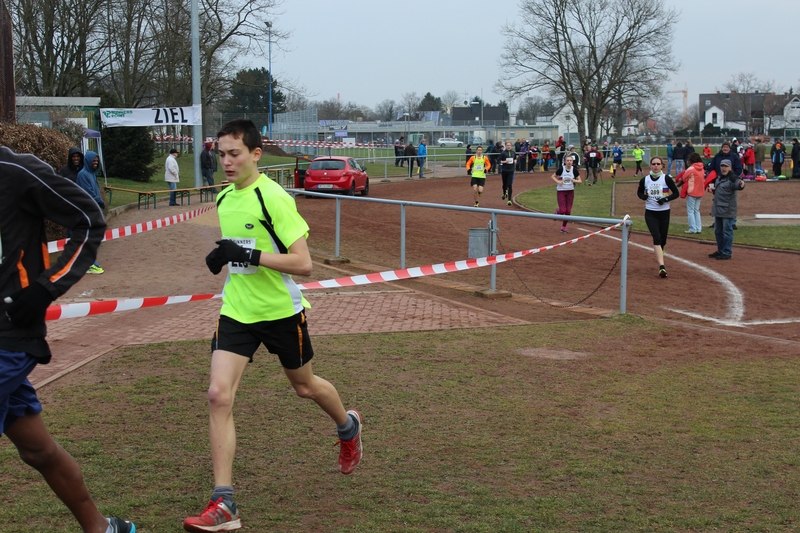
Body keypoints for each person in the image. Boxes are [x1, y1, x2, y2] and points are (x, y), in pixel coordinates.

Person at [184, 120, 362, 533]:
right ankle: (224, 502)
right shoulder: (224, 198)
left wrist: (247, 255)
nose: (227, 162)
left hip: (281, 312)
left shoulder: (275, 198)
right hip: (237, 310)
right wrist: (224, 257)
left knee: (304, 386)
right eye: (222, 154)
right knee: (217, 395)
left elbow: (303, 263)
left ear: (255, 154)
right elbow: (241, 249)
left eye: (235, 154)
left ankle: (348, 426)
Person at [0, 146, 136, 533]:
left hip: (8, 336)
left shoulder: (15, 172)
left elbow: (88, 219)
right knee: (38, 450)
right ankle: (102, 528)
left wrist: (46, 288)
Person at [636, 156, 680, 278]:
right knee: (657, 237)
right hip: (651, 212)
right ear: (650, 165)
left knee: (663, 240)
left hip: (664, 212)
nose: (656, 166)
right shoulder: (645, 180)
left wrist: (665, 199)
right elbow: (639, 192)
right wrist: (644, 197)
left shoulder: (666, 179)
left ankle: (661, 250)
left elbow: (676, 193)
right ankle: (662, 267)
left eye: (658, 164)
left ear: (662, 166)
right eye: (654, 164)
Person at [708, 159, 745, 260]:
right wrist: (714, 190)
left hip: (727, 210)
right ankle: (720, 250)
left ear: (730, 167)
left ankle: (727, 252)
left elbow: (738, 185)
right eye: (722, 166)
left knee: (727, 231)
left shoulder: (732, 178)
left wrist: (742, 185)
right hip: (718, 208)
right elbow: (721, 190)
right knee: (718, 231)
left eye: (726, 166)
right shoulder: (719, 177)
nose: (724, 168)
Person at [76, 151, 106, 275]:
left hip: (95, 210)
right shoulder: (82, 175)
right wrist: (100, 202)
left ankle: (90, 260)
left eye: (97, 161)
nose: (95, 163)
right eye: (93, 160)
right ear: (88, 161)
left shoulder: (92, 174)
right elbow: (89, 193)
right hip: (87, 211)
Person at [675, 152, 706, 234]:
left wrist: (678, 184)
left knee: (690, 211)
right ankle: (698, 228)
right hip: (700, 191)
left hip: (692, 191)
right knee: (696, 210)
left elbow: (684, 178)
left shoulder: (691, 168)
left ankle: (692, 228)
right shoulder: (702, 168)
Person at [551, 154, 582, 233]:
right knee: (562, 210)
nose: (569, 162)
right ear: (565, 162)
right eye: (567, 160)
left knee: (568, 211)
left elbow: (580, 181)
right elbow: (553, 176)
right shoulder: (561, 169)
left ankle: (564, 226)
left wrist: (574, 180)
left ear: (572, 162)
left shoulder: (574, 170)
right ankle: (557, 212)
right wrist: (558, 182)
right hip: (561, 191)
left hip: (570, 192)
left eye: (570, 161)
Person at [499, 141, 516, 206]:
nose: (509, 146)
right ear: (505, 146)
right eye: (507, 145)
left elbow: (515, 158)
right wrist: (504, 161)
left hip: (511, 171)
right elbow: (498, 161)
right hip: (504, 170)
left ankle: (509, 200)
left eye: (510, 145)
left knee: (509, 185)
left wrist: (515, 161)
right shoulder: (503, 153)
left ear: (511, 146)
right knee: (504, 184)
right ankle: (504, 193)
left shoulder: (513, 153)